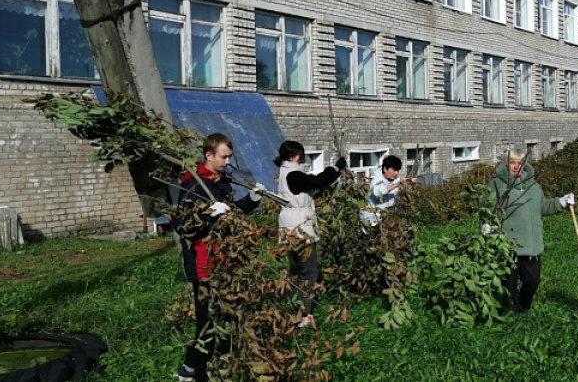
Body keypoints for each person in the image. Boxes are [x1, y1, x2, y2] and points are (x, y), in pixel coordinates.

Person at [174, 133, 263, 382]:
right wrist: (208, 215)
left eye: (229, 157)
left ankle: (196, 365)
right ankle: (196, 372)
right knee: (207, 321)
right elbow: (183, 225)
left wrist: (251, 201)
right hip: (203, 263)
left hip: (223, 259)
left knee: (222, 316)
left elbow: (230, 215)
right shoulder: (193, 184)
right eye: (223, 157)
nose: (227, 162)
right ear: (209, 155)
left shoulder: (221, 180)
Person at [480, 151, 574, 313]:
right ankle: (508, 312)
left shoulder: (533, 186)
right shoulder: (496, 185)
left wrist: (561, 202)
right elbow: (486, 210)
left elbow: (543, 206)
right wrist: (485, 225)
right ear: (506, 164)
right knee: (508, 285)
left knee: (533, 281)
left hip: (531, 245)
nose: (517, 166)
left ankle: (522, 308)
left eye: (520, 163)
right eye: (512, 163)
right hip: (508, 245)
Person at [275, 140, 346, 327]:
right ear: (294, 156)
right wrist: (335, 169)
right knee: (308, 271)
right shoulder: (293, 175)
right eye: (302, 154)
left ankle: (295, 307)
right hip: (300, 228)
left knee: (296, 269)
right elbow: (318, 181)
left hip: (289, 227)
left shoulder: (285, 173)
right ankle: (303, 315)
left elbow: (312, 186)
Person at [359, 155, 414, 226]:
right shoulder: (375, 179)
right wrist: (396, 185)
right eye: (394, 170)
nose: (396, 173)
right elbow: (378, 192)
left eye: (397, 170)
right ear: (385, 169)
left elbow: (396, 193)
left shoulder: (395, 179)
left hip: (386, 216)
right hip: (370, 217)